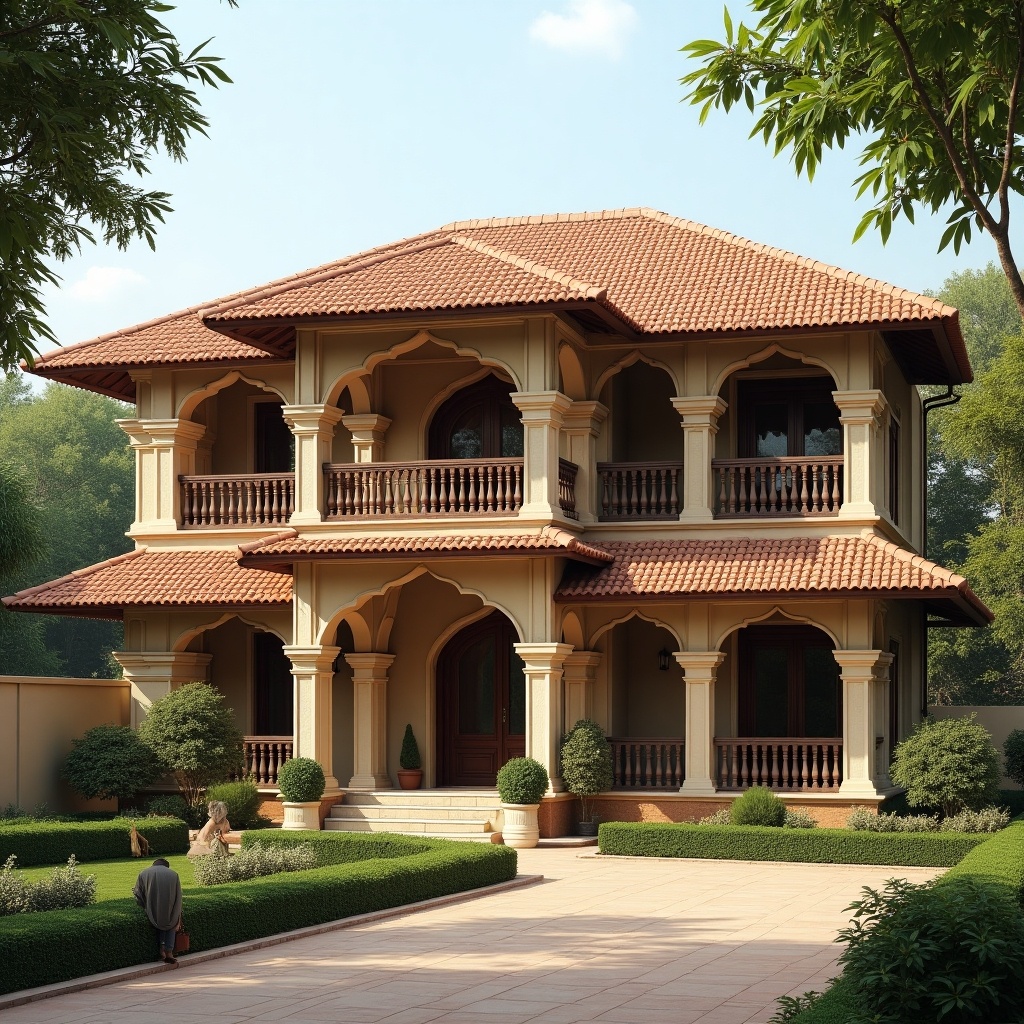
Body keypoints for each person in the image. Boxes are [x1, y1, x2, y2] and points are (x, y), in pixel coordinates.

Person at [133, 858, 183, 965]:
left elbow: (138, 893)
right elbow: (178, 894)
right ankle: (169, 952)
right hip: (170, 905)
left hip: (152, 905)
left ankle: (162, 949)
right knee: (171, 922)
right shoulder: (174, 874)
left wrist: (144, 905)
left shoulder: (143, 873)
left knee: (158, 921)